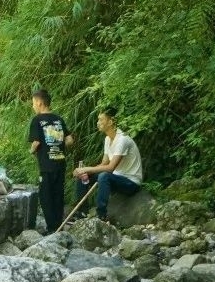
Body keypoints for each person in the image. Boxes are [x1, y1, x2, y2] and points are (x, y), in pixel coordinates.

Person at [71, 106, 143, 222]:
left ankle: (101, 215)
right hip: (116, 178)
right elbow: (104, 163)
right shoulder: (108, 139)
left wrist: (86, 168)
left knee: (103, 175)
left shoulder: (122, 139)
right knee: (83, 176)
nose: (98, 123)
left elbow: (110, 168)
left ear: (110, 122)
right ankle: (82, 212)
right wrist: (84, 171)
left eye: (101, 120)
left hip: (131, 182)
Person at [28, 88, 73, 233]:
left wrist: (32, 151)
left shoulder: (36, 120)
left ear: (40, 103)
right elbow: (69, 139)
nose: (33, 106)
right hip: (60, 162)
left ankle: (52, 228)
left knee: (46, 196)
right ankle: (59, 225)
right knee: (58, 194)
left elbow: (36, 143)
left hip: (46, 165)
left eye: (33, 103)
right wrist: (58, 145)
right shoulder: (58, 119)